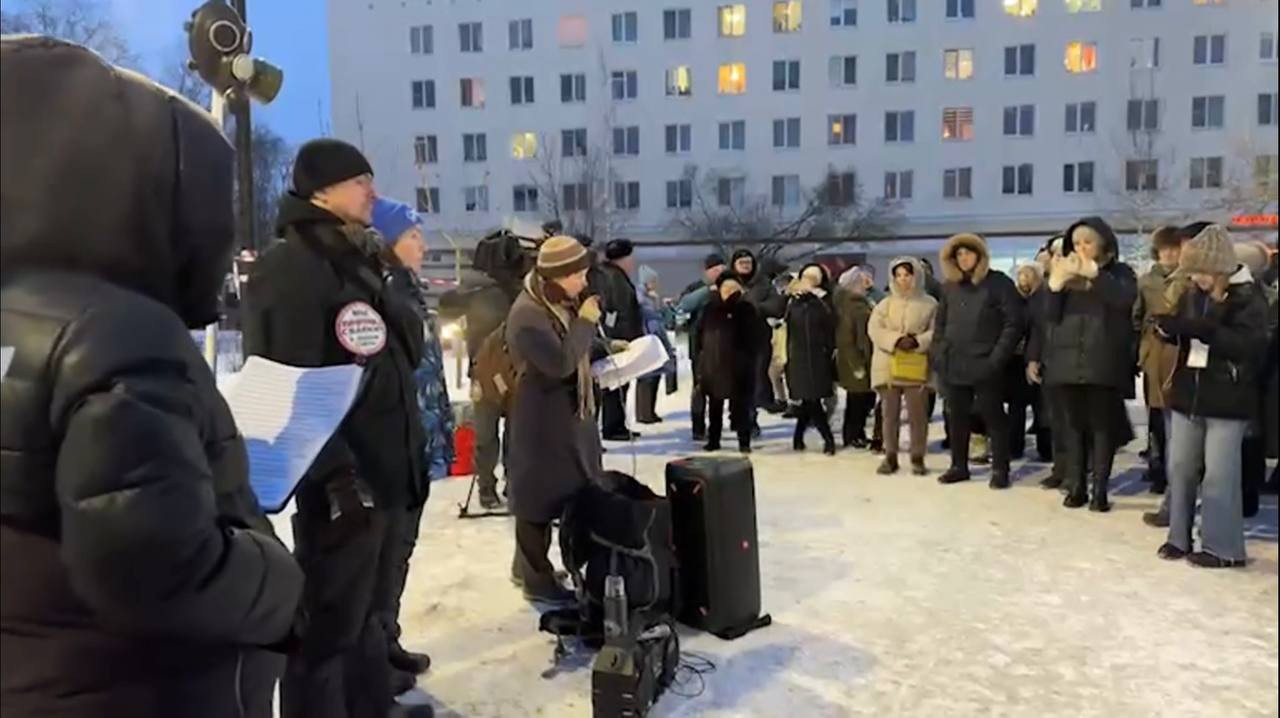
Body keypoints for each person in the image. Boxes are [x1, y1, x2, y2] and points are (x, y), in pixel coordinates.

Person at [0, 36, 303, 717]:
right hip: (140, 687)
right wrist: (279, 580)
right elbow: (157, 567)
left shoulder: (19, 318)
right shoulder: (114, 335)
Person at [243, 139, 432, 717]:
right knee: (329, 625)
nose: (372, 191)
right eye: (359, 181)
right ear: (321, 190)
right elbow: (288, 381)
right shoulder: (293, 266)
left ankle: (372, 707)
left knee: (367, 617)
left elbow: (396, 353)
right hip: (343, 482)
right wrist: (335, 477)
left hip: (384, 466)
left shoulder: (358, 257)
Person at [370, 198, 455, 679]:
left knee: (401, 550)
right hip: (394, 444)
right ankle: (376, 651)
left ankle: (388, 638)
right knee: (385, 554)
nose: (422, 243)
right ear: (387, 242)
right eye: (412, 235)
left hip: (417, 439)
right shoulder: (383, 291)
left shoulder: (408, 289)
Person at [1155, 225, 1268, 568]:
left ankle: (1223, 548)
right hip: (1189, 392)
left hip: (1228, 399)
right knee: (1180, 467)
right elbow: (1191, 336)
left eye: (1203, 271)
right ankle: (1178, 536)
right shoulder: (1193, 294)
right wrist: (1170, 330)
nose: (1198, 278)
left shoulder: (1250, 298)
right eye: (1194, 271)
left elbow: (1248, 348)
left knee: (1220, 475)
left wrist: (1204, 329)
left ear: (1221, 267)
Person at [506, 236, 609, 602]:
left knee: (559, 490)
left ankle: (528, 569)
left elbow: (570, 350)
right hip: (542, 420)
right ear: (559, 274)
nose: (584, 282)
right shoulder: (528, 315)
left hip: (563, 417)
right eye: (578, 275)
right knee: (537, 499)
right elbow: (559, 363)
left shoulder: (552, 303)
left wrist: (602, 350)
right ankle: (536, 579)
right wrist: (585, 323)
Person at [1032, 218, 1138, 512]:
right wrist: (1054, 285)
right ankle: (1076, 484)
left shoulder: (1119, 273)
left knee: (1102, 428)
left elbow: (1124, 300)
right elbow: (1046, 318)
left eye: (1087, 242)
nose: (1081, 248)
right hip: (1065, 361)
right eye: (1077, 243)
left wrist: (1095, 275)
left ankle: (1100, 490)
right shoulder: (1065, 277)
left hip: (1103, 360)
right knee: (1072, 427)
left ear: (1103, 243)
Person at [933, 233, 1023, 488]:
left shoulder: (998, 283)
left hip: (986, 363)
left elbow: (1013, 323)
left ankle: (1000, 470)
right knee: (957, 417)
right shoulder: (949, 286)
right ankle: (958, 466)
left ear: (980, 255)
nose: (963, 259)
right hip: (954, 361)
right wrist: (939, 353)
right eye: (959, 254)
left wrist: (996, 358)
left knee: (993, 417)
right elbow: (940, 323)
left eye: (968, 253)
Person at [868, 258, 938, 474]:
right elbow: (874, 330)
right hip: (888, 365)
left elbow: (937, 331)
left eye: (907, 274)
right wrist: (896, 340)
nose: (903, 279)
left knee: (918, 415)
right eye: (898, 275)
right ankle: (890, 456)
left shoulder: (930, 304)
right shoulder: (885, 304)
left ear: (916, 275)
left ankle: (918, 457)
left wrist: (918, 341)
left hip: (916, 365)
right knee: (889, 415)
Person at [1132, 227, 1187, 496]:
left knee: (1176, 414)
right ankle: (1157, 468)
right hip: (1153, 350)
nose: (1169, 254)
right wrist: (1139, 350)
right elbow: (1136, 316)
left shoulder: (1188, 279)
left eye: (1174, 249)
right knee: (1155, 414)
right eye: (1164, 249)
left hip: (1180, 350)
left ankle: (1177, 470)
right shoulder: (1145, 281)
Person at [697, 275, 763, 452]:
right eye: (726, 289)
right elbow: (699, 334)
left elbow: (755, 338)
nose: (729, 293)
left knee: (741, 407)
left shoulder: (746, 309)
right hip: (714, 365)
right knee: (714, 407)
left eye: (733, 290)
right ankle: (714, 440)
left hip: (739, 367)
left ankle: (744, 441)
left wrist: (748, 360)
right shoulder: (710, 308)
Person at [1234, 241, 1274, 517]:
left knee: (1246, 440)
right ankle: (1248, 495)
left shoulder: (1255, 299)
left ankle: (1246, 497)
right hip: (1258, 377)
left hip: (1249, 377)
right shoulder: (1267, 296)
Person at [784, 264, 839, 455]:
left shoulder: (825, 300)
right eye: (806, 277)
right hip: (797, 356)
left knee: (811, 400)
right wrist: (790, 293)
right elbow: (778, 314)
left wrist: (818, 296)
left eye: (814, 278)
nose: (809, 281)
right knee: (810, 401)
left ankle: (799, 438)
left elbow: (833, 322)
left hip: (819, 356)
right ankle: (827, 439)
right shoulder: (792, 301)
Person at [597, 239, 644, 441]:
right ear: (623, 258)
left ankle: (617, 424)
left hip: (618, 336)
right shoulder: (614, 279)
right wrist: (617, 337)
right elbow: (615, 310)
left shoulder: (612, 275)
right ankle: (613, 427)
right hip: (619, 338)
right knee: (616, 384)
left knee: (619, 383)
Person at [680, 254, 727, 442]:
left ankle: (718, 426)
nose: (718, 273)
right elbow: (684, 305)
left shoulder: (730, 286)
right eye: (714, 270)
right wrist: (709, 290)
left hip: (725, 345)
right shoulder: (697, 288)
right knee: (700, 388)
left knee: (722, 388)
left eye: (721, 270)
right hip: (700, 346)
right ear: (706, 272)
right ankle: (698, 427)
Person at [1010, 262, 1050, 462]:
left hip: (1039, 359)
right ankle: (1014, 446)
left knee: (1041, 406)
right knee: (1017, 407)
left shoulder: (1042, 299)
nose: (1023, 280)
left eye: (1027, 276)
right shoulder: (1014, 300)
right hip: (1016, 360)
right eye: (1021, 276)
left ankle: (1046, 448)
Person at [835, 267, 877, 448]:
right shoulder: (851, 306)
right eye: (862, 281)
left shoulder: (860, 302)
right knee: (857, 401)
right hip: (856, 360)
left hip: (864, 358)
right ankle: (852, 435)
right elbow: (846, 338)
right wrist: (856, 363)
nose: (866, 283)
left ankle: (856, 433)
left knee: (863, 399)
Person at [634, 265, 676, 424]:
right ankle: (644, 413)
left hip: (655, 337)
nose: (655, 283)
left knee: (655, 376)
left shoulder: (650, 297)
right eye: (653, 280)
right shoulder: (640, 296)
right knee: (647, 377)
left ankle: (649, 411)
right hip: (647, 338)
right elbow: (648, 316)